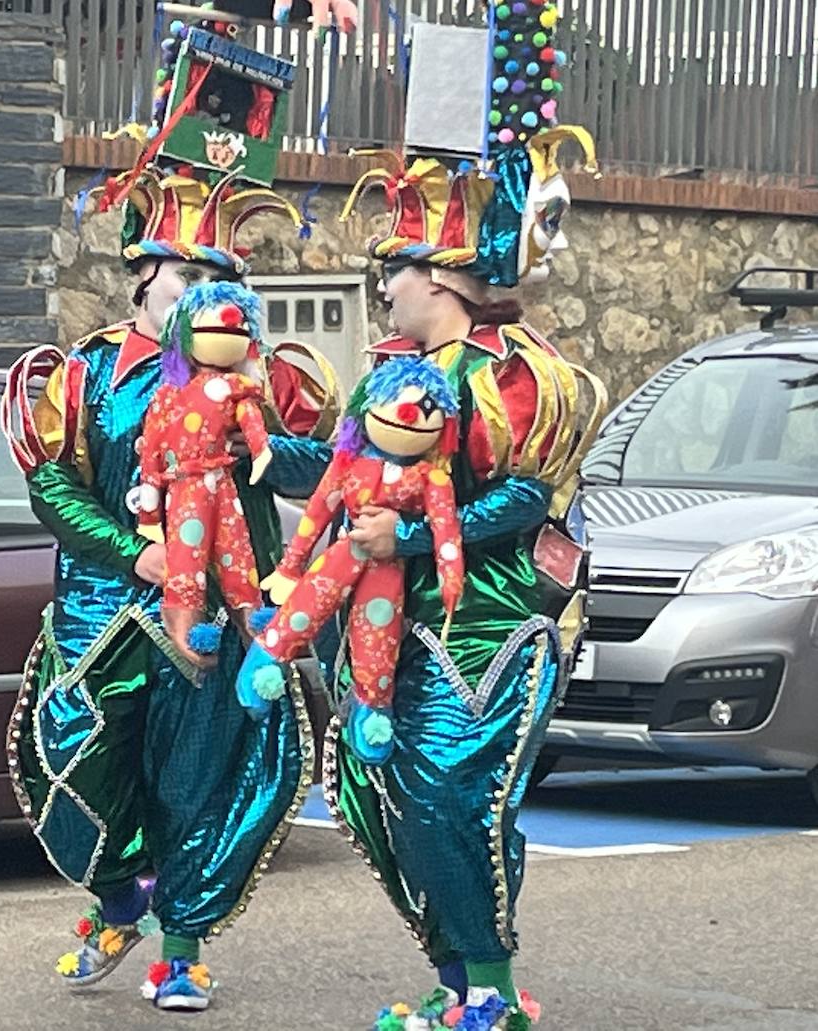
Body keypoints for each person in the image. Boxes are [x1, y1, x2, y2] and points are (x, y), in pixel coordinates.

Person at [315, 9, 609, 1027]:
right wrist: (261, 451)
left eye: (391, 269)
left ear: (437, 278)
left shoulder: (520, 378)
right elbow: (344, 472)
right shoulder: (389, 378)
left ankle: (487, 987)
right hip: (391, 627)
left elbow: (529, 494)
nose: (380, 285)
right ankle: (464, 977)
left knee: (453, 796)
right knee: (383, 796)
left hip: (490, 621)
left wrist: (414, 536)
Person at [1, 162, 338, 1012]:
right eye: (189, 277)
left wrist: (262, 446)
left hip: (215, 619)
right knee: (66, 764)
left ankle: (180, 947)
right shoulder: (89, 371)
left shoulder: (271, 380)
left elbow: (324, 469)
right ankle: (118, 903)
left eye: (221, 281)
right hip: (103, 612)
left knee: (200, 782)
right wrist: (131, 552)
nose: (202, 298)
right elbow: (52, 484)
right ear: (144, 275)